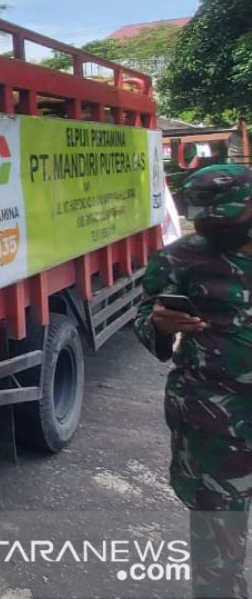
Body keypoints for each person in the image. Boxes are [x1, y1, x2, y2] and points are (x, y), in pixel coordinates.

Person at [134, 165, 252, 599]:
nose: (212, 229)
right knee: (218, 542)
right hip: (213, 422)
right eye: (205, 220)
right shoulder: (178, 259)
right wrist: (162, 324)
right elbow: (146, 323)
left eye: (226, 218)